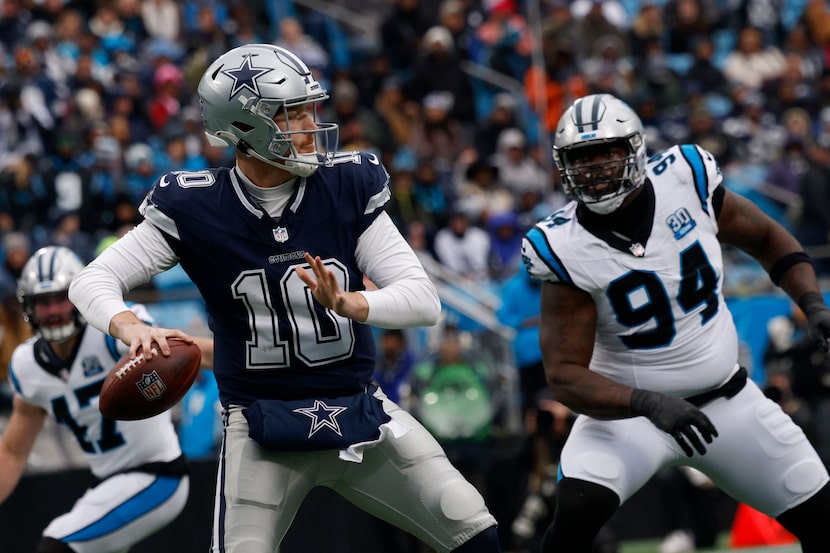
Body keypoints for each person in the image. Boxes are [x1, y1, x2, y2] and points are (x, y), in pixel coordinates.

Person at [68, 43, 501, 553]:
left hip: (358, 409)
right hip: (259, 424)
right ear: (244, 127)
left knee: (471, 525)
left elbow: (424, 301)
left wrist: (350, 303)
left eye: (308, 109)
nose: (309, 125)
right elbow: (90, 282)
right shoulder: (196, 205)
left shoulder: (345, 186)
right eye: (292, 114)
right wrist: (128, 325)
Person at [520, 93, 830, 553]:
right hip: (629, 416)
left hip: (728, 402)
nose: (595, 168)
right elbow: (564, 376)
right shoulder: (563, 245)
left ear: (636, 149)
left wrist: (812, 302)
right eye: (581, 159)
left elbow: (767, 238)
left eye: (607, 152)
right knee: (578, 512)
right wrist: (648, 403)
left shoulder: (687, 177)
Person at [0, 245, 213, 552]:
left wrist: (256, 363)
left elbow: (185, 349)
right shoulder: (26, 365)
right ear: (27, 308)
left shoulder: (108, 333)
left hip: (157, 474)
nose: (54, 310)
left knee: (56, 545)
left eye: (61, 298)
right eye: (42, 302)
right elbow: (13, 451)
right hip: (105, 483)